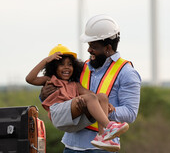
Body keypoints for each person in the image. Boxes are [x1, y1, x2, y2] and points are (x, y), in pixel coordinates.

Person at [40, 14, 141, 153]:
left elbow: (130, 113)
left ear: (107, 47)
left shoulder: (127, 73)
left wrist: (104, 110)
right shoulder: (80, 67)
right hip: (71, 145)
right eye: (88, 45)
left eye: (93, 46)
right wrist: (44, 94)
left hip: (102, 148)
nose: (89, 50)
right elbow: (63, 91)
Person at [26, 44, 129, 152]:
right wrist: (46, 60)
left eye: (70, 64)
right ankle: (109, 125)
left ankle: (102, 136)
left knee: (101, 96)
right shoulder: (51, 80)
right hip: (58, 113)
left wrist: (107, 104)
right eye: (61, 64)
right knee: (89, 98)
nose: (66, 67)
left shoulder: (75, 85)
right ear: (53, 67)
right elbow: (30, 79)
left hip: (73, 118)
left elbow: (93, 95)